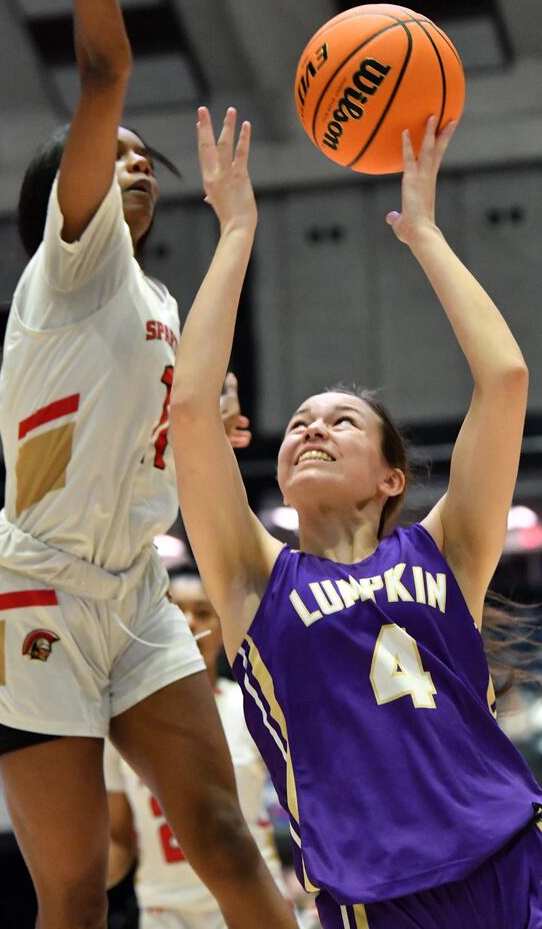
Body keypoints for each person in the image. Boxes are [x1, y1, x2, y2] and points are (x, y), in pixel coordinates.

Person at [0, 0, 297, 929]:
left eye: (147, 161)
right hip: (36, 591)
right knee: (74, 893)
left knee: (229, 840)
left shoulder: (159, 301)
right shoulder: (69, 269)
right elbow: (105, 66)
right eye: (119, 154)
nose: (136, 164)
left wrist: (205, 426)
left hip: (136, 590)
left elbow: (173, 437)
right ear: (73, 192)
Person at [170, 106, 542, 928]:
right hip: (378, 897)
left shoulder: (447, 548)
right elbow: (190, 412)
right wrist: (235, 231)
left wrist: (426, 235)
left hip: (514, 856)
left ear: (389, 477)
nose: (311, 428)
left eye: (341, 421)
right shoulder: (251, 577)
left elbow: (507, 377)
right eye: (301, 420)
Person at [104, 569, 294, 928]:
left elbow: (306, 805)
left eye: (203, 613)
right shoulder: (120, 721)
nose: (189, 623)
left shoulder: (250, 705)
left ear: (222, 631)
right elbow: (118, 840)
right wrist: (70, 883)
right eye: (175, 611)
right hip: (166, 913)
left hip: (251, 901)